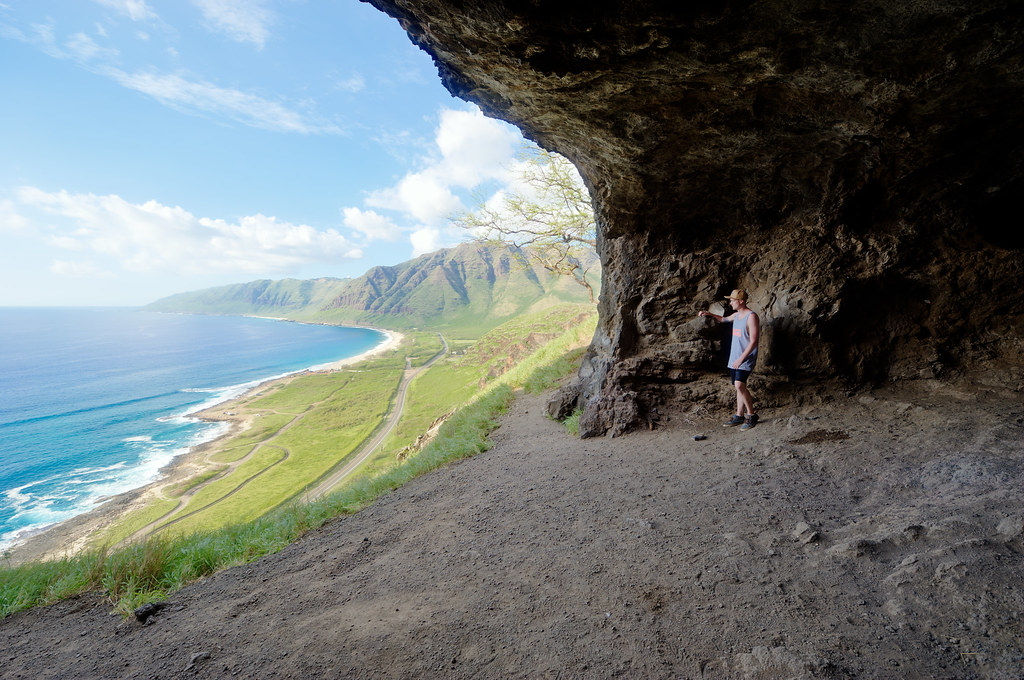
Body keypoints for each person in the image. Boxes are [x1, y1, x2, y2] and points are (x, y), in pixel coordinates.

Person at [699, 289, 760, 430]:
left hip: (744, 358)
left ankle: (751, 415)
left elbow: (754, 341)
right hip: (735, 358)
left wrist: (741, 359)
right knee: (739, 386)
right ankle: (739, 415)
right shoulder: (737, 315)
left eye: (732, 300)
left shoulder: (751, 316)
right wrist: (709, 314)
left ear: (741, 301)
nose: (730, 302)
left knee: (739, 385)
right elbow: (724, 319)